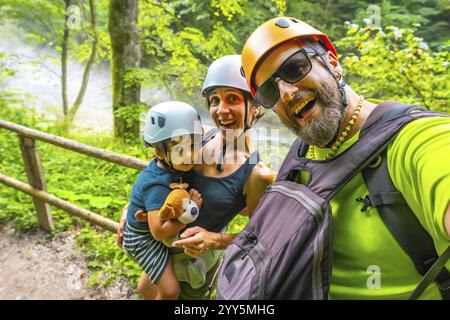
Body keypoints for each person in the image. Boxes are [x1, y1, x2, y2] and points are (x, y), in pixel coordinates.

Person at [240, 17, 450, 299]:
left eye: (295, 67)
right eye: (269, 91)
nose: (287, 93)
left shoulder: (419, 139)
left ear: (333, 64)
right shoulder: (300, 154)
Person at [117, 55, 275, 299]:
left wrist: (214, 240)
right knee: (144, 290)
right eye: (214, 100)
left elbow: (258, 239)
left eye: (232, 98)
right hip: (161, 247)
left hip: (192, 264)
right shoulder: (200, 139)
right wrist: (135, 208)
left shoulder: (257, 174)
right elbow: (161, 172)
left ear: (255, 106)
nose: (221, 110)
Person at [122, 101, 206, 300]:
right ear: (160, 152)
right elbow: (159, 232)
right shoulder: (157, 185)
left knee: (150, 283)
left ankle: (146, 294)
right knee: (170, 291)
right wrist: (189, 214)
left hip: (145, 233)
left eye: (194, 145)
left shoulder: (171, 168)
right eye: (180, 149)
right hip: (142, 240)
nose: (190, 155)